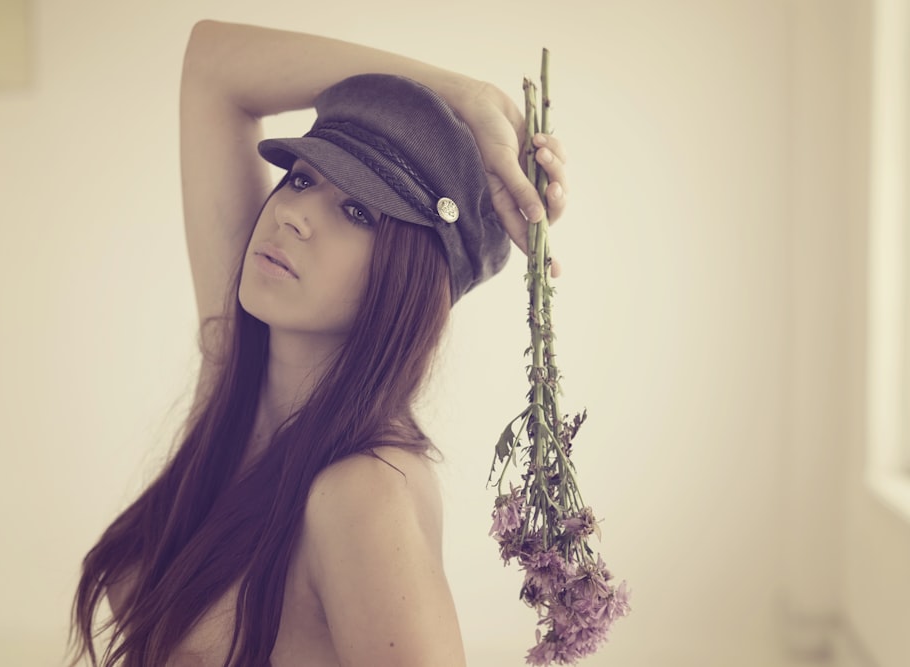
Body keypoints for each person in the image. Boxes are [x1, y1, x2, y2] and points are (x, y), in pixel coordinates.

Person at [69, 20, 567, 667]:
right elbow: (212, 67)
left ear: (406, 278)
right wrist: (466, 97)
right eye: (302, 178)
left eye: (357, 211)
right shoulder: (235, 384)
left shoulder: (362, 493)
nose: (293, 214)